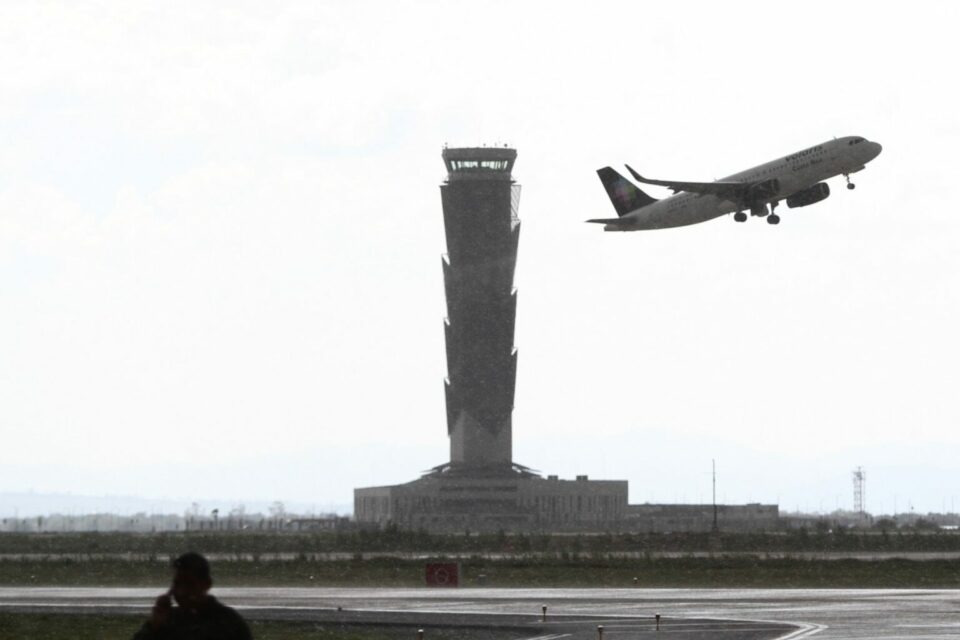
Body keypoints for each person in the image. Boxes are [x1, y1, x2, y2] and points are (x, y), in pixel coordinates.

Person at [132, 551, 253, 639]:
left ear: (207, 584)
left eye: (189, 584)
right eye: (177, 584)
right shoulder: (167, 620)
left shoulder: (228, 623)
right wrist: (154, 626)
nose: (181, 592)